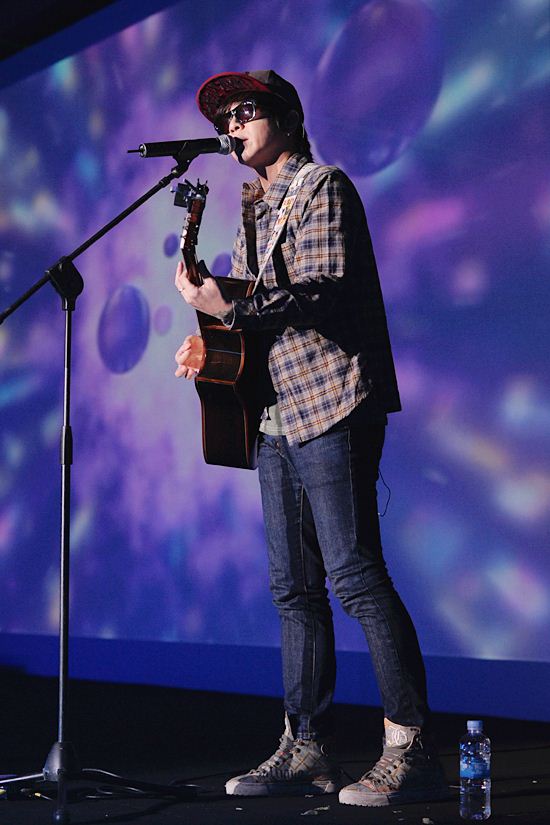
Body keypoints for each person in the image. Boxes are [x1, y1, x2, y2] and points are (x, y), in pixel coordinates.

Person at [174, 70, 448, 807]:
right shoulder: (254, 206)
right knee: (293, 589)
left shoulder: (323, 186)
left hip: (331, 402)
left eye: (245, 111)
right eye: (224, 119)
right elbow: (250, 308)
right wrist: (212, 336)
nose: (232, 126)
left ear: (288, 118)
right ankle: (308, 744)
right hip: (274, 413)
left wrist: (229, 308)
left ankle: (412, 747)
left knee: (354, 575)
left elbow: (319, 290)